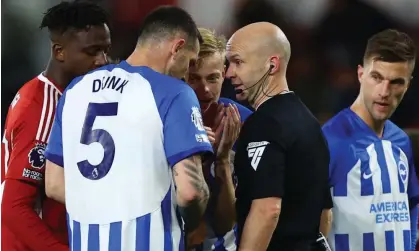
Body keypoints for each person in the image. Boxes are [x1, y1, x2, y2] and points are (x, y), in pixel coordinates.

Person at [44, 6, 212, 250]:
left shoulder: (75, 91)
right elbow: (190, 192)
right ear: (176, 48)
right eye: (191, 61)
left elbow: (54, 184)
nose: (188, 73)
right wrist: (194, 220)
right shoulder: (173, 93)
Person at [1, 2, 111, 251]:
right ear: (60, 52)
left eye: (106, 50)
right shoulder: (43, 106)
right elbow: (14, 207)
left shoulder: (70, 97)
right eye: (92, 51)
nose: (102, 61)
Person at [226, 22, 332, 251]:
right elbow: (324, 213)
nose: (229, 73)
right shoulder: (310, 123)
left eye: (238, 62)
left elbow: (267, 209)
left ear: (271, 65)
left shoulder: (264, 124)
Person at [322, 29, 419, 251]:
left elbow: (412, 203)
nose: (384, 91)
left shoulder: (401, 142)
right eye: (377, 77)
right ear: (360, 74)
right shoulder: (331, 140)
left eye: (396, 82)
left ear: (408, 85)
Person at [185, 28, 253, 251]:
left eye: (212, 78)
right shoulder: (165, 122)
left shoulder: (247, 124)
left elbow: (228, 222)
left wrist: (222, 160)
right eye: (193, 78)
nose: (204, 89)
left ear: (224, 73)